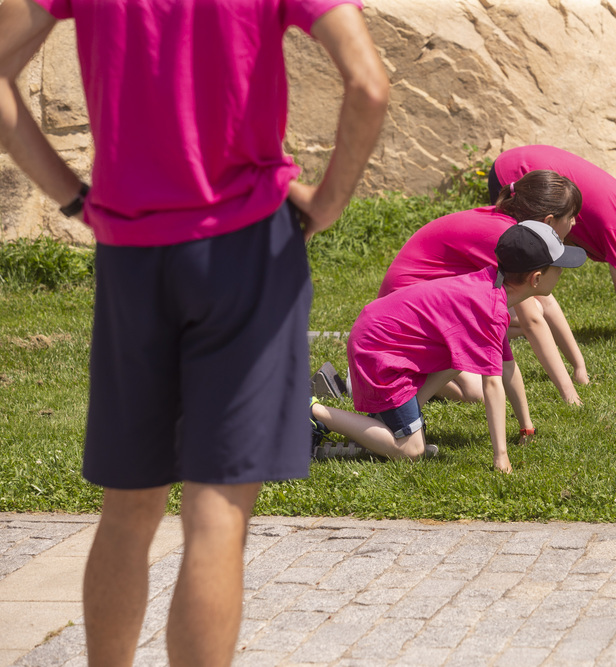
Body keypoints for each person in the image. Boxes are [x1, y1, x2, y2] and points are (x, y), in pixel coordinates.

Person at [0, 1, 388, 665]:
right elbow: (369, 83)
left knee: (127, 509)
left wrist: (70, 195)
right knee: (218, 509)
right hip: (246, 249)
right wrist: (328, 202)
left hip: (131, 251)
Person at [312, 220, 587, 473]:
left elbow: (506, 366)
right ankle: (313, 410)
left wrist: (526, 427)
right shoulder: (490, 308)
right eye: (558, 266)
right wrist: (500, 456)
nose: (562, 272)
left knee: (462, 359)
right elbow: (492, 385)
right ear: (536, 278)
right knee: (411, 450)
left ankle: (398, 421)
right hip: (379, 349)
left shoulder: (492, 286)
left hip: (381, 336)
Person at [378, 169, 589, 405]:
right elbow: (532, 322)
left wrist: (579, 367)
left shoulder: (514, 229)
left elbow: (545, 301)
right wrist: (570, 396)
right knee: (476, 393)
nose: (574, 222)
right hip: (402, 315)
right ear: (549, 221)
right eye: (571, 216)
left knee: (526, 312)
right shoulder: (507, 238)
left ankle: (404, 371)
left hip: (418, 307)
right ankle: (392, 376)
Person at [489, 145, 616, 353]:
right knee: (523, 254)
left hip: (523, 160)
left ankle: (515, 314)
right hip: (515, 173)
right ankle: (507, 314)